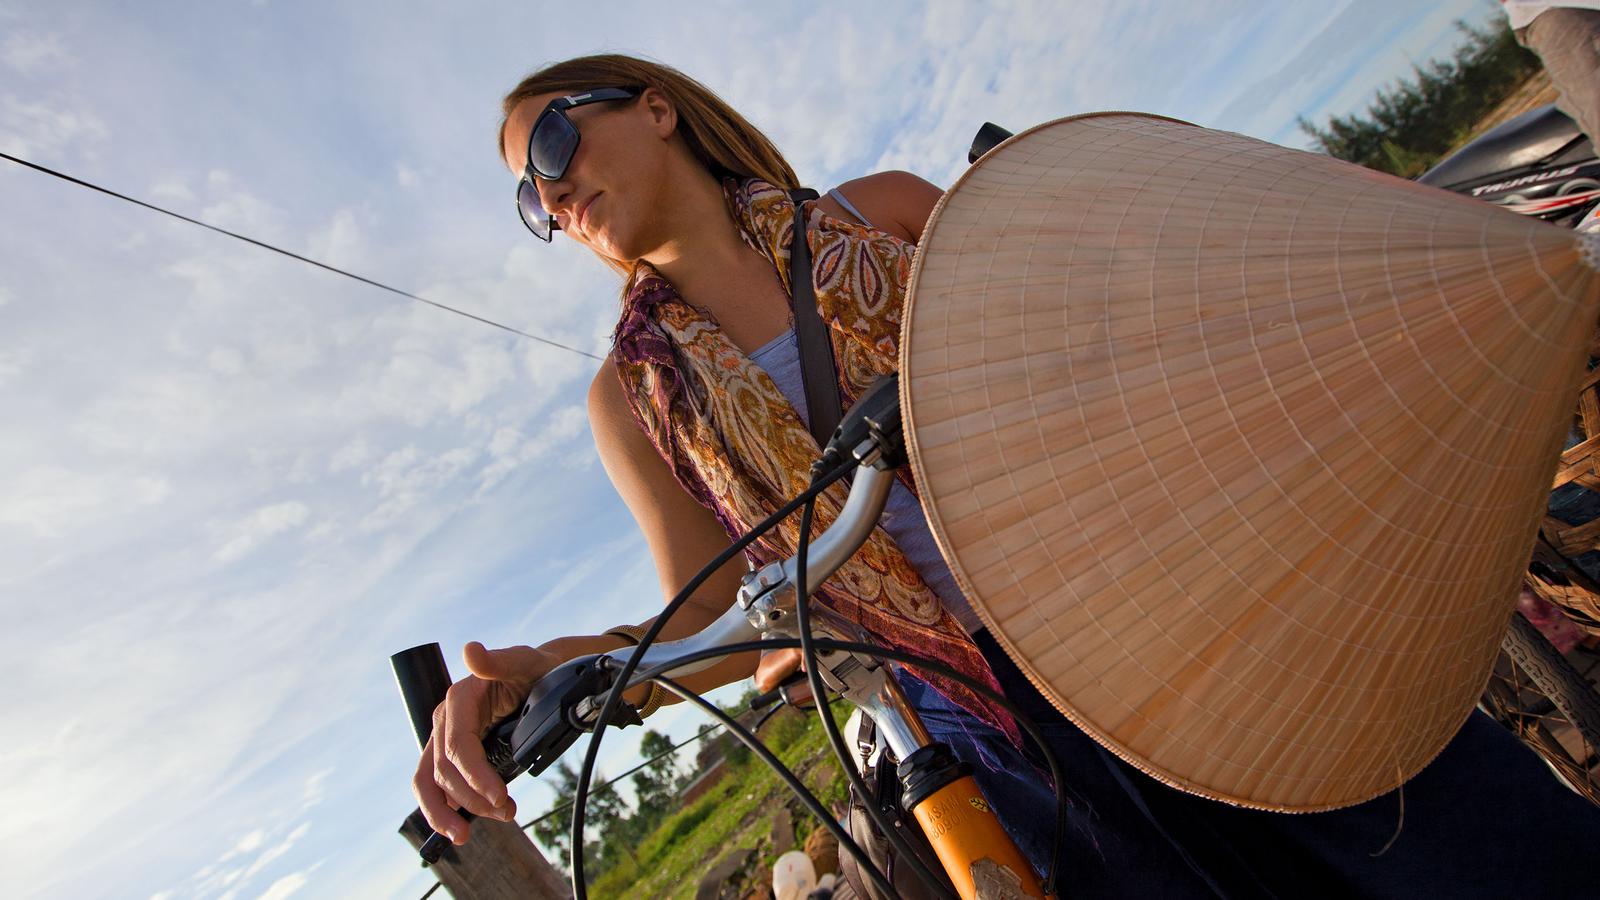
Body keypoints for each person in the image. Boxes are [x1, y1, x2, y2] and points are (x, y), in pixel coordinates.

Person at [413, 54, 1600, 897]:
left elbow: (1123, 321)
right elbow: (718, 615)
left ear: (656, 109)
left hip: (1185, 607)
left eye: (554, 144)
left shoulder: (880, 215)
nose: (551, 194)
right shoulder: (632, 399)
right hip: (1002, 737)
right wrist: (550, 672)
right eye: (529, 196)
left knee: (1483, 856)